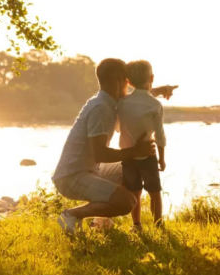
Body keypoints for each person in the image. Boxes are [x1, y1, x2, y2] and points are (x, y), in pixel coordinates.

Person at [52, 58, 177, 234]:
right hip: (71, 177)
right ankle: (71, 214)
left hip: (89, 170)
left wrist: (162, 90)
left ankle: (100, 222)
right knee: (127, 202)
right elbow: (100, 155)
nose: (129, 84)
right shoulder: (101, 108)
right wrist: (135, 150)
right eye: (127, 80)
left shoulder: (109, 100)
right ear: (120, 80)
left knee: (129, 168)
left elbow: (140, 99)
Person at [118, 60, 167, 230]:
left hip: (128, 156)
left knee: (134, 193)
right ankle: (158, 225)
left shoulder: (122, 103)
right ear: (152, 77)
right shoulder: (155, 104)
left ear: (129, 82)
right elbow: (160, 136)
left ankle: (136, 225)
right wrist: (162, 159)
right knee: (154, 193)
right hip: (148, 156)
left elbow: (118, 127)